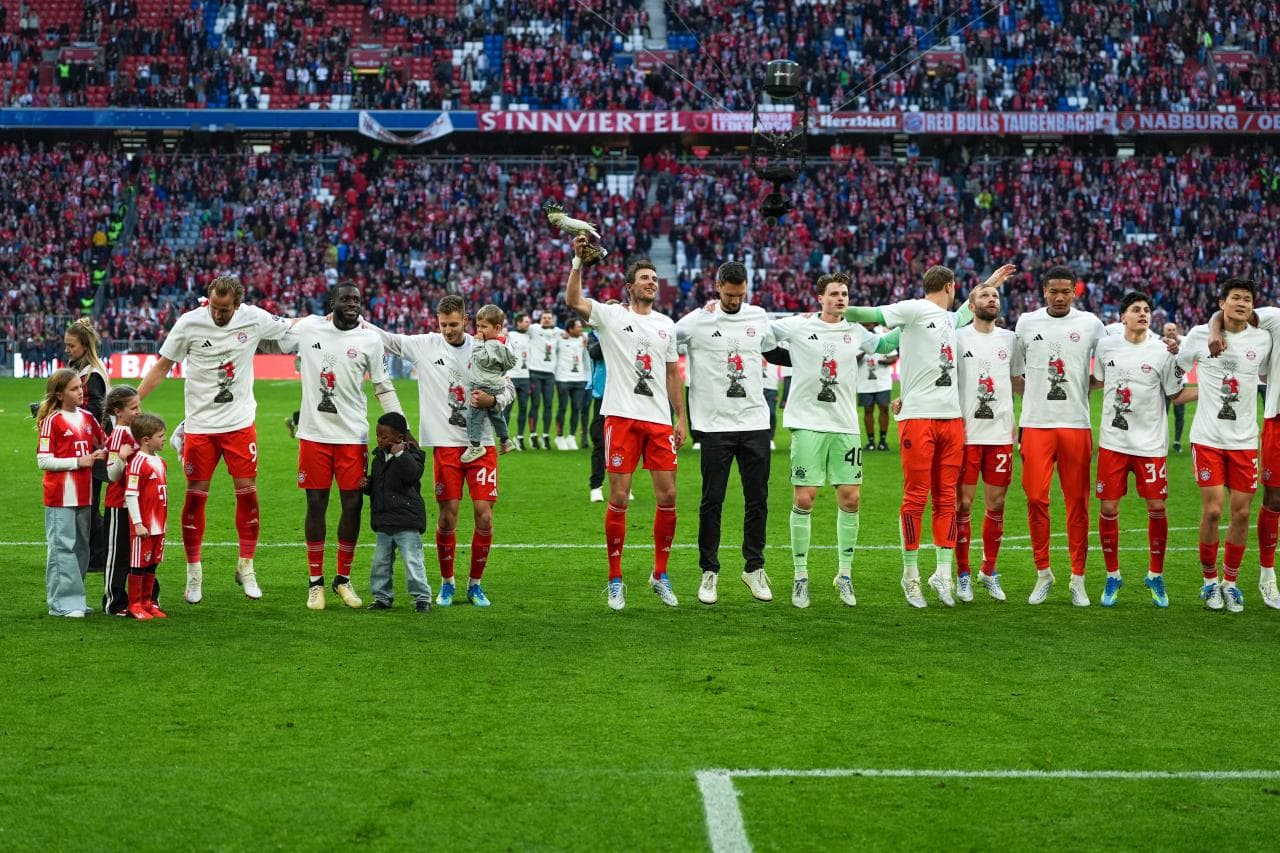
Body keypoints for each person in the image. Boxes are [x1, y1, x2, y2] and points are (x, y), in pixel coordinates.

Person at [847, 263, 1016, 608]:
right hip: (919, 418)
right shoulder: (913, 308)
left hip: (951, 418)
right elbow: (871, 317)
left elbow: (881, 343)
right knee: (916, 497)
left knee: (945, 500)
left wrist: (992, 282)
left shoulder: (950, 320)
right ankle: (910, 576)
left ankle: (941, 573)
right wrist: (837, 311)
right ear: (951, 286)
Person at [138, 275, 292, 604]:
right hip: (201, 427)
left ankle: (246, 566)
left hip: (239, 425)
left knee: (248, 495)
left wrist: (328, 322)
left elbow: (293, 328)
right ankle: (194, 575)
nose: (218, 314)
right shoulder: (189, 323)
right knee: (195, 497)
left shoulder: (255, 318)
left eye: (225, 310)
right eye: (214, 307)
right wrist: (134, 401)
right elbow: (163, 365)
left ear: (238, 305)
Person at [365, 295, 513, 608]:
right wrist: (357, 321)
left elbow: (508, 388)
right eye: (443, 324)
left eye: (454, 324)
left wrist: (494, 402)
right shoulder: (426, 344)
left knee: (484, 516)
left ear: (465, 321)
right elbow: (388, 340)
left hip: (481, 444)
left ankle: (475, 584)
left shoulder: (484, 347)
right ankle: (447, 583)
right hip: (445, 445)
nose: (448, 330)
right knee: (448, 516)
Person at [564, 235, 687, 611]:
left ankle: (659, 574)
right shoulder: (612, 315)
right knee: (618, 498)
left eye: (654, 278)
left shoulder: (667, 325)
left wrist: (680, 417)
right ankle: (615, 579)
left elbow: (671, 375)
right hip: (621, 416)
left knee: (668, 497)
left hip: (657, 422)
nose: (651, 282)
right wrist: (577, 263)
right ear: (630, 287)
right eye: (644, 278)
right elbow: (573, 301)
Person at [773, 273, 899, 609]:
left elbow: (886, 346)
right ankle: (801, 577)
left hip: (845, 426)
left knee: (851, 498)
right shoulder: (798, 326)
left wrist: (913, 322)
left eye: (844, 293)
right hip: (807, 424)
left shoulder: (856, 331)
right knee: (805, 498)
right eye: (834, 294)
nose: (841, 298)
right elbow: (759, 336)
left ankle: (844, 575)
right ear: (820, 298)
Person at [291, 283, 402, 611]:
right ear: (333, 303)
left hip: (352, 437)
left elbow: (382, 386)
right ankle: (315, 582)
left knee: (353, 504)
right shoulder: (310, 327)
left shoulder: (370, 339)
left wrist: (400, 426)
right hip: (314, 435)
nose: (352, 304)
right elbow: (273, 329)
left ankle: (342, 579)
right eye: (346, 299)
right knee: (315, 504)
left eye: (356, 300)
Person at [676, 261, 778, 605]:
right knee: (712, 501)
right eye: (729, 295)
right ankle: (709, 571)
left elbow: (777, 348)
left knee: (757, 499)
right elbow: (660, 336)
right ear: (717, 287)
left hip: (754, 422)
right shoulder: (697, 320)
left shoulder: (759, 316)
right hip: (715, 425)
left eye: (740, 294)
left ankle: (754, 567)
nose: (735, 300)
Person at [1092, 291, 1196, 608]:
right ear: (1122, 316)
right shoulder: (1106, 346)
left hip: (1150, 444)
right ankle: (1113, 575)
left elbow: (1175, 394)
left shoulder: (1162, 352)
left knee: (1157, 508)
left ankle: (1155, 574)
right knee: (1109, 509)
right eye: (1136, 309)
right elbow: (1097, 383)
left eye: (1147, 310)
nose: (1143, 314)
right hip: (1113, 443)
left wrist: (1205, 384)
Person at [1013, 266, 1106, 607]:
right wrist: (1036, 397)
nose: (1060, 296)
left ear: (1074, 293)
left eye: (1066, 291)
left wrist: (1084, 389)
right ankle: (1043, 573)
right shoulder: (1027, 323)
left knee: (1077, 503)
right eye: (1054, 291)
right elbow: (1013, 373)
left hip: (1075, 425)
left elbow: (1112, 362)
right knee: (1036, 498)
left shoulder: (1091, 324)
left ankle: (1078, 578)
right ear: (1044, 291)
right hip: (1036, 425)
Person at [1180, 279, 1272, 613]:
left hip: (1245, 440)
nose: (1242, 304)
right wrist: (1184, 393)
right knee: (1214, 510)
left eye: (1247, 299)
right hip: (1207, 438)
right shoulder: (1198, 336)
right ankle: (1208, 582)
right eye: (1235, 298)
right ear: (1222, 303)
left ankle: (1230, 584)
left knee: (1242, 512)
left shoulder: (1263, 339)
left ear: (1253, 306)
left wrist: (1215, 328)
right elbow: (1176, 368)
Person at [1206, 300, 1280, 609]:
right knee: (1274, 500)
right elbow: (1227, 313)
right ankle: (1267, 576)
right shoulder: (1275, 317)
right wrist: (1213, 331)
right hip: (1278, 419)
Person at [953, 280, 1022, 602]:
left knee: (996, 504)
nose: (991, 299)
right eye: (984, 295)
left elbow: (1019, 382)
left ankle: (988, 571)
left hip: (1000, 437)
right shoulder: (957, 338)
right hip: (966, 437)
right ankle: (963, 573)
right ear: (971, 304)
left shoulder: (1011, 340)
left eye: (995, 295)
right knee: (962, 505)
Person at [36, 369, 106, 617]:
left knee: (81, 549)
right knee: (62, 548)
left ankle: (75, 598)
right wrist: (79, 461)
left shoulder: (87, 418)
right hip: (60, 496)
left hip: (84, 494)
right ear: (59, 394)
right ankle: (62, 604)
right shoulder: (51, 422)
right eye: (74, 389)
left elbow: (104, 444)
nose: (81, 392)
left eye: (80, 387)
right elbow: (43, 461)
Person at [365, 412, 432, 613]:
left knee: (412, 561)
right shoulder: (378, 458)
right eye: (377, 435)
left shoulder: (413, 455)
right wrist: (367, 485)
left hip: (407, 521)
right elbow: (379, 486)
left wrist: (399, 453)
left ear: (399, 438)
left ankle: (422, 597)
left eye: (384, 436)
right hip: (385, 520)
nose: (379, 439)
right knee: (380, 563)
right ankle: (382, 597)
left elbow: (412, 475)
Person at [64, 318, 110, 572]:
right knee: (87, 502)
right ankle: (96, 554)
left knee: (89, 503)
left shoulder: (91, 374)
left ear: (84, 345)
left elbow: (95, 411)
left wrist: (63, 410)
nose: (67, 350)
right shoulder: (85, 369)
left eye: (71, 345)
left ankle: (98, 555)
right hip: (89, 444)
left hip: (94, 446)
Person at [102, 385, 152, 615]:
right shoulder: (119, 435)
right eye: (133, 408)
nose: (138, 411)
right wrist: (121, 458)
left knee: (135, 553)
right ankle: (113, 602)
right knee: (117, 554)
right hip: (118, 504)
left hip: (135, 504)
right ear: (117, 411)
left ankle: (139, 599)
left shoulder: (133, 432)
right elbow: (112, 474)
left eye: (139, 406)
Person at [124, 413, 169, 620]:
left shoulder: (161, 462)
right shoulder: (137, 463)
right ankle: (134, 605)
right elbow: (131, 494)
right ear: (146, 440)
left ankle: (147, 602)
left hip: (158, 524)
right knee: (138, 564)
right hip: (143, 527)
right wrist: (138, 523)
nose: (164, 439)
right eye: (160, 436)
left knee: (152, 563)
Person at [463, 305, 517, 463]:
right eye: (478, 326)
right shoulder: (503, 345)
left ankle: (474, 446)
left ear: (497, 328)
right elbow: (511, 362)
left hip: (483, 385)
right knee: (496, 415)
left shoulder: (491, 344)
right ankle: (505, 440)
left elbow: (482, 359)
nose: (479, 331)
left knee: (474, 416)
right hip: (496, 385)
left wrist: (478, 344)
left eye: (484, 327)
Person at [855, 324, 895, 451]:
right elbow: (853, 359)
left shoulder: (883, 336)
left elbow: (893, 356)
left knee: (884, 408)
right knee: (868, 410)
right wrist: (865, 349)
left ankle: (883, 441)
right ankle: (870, 442)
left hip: (882, 381)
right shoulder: (856, 338)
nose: (869, 324)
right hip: (864, 382)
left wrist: (885, 361)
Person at [553, 317, 590, 450]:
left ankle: (571, 437)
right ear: (570, 329)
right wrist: (561, 332)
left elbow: (589, 331)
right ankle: (559, 436)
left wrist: (584, 335)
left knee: (576, 409)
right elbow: (551, 330)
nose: (581, 329)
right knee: (562, 407)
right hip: (563, 379)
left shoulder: (583, 338)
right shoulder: (560, 338)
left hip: (579, 379)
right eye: (579, 326)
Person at [526, 310, 560, 449]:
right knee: (535, 404)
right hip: (535, 373)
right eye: (544, 318)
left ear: (553, 320)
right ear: (540, 319)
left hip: (550, 374)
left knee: (548, 405)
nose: (546, 320)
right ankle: (533, 435)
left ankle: (545, 435)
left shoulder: (558, 332)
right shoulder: (533, 329)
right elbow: (519, 330)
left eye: (549, 318)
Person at [505, 312, 532, 450]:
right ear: (518, 322)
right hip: (512, 377)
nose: (529, 324)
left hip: (525, 377)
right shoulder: (509, 335)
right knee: (507, 409)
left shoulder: (530, 336)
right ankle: (504, 438)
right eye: (526, 321)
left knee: (523, 408)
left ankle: (520, 437)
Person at [587, 325, 607, 502]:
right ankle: (596, 485)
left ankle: (626, 485)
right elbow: (594, 353)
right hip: (602, 396)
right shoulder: (594, 337)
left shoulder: (629, 335)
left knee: (626, 444)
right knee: (600, 441)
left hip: (624, 396)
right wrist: (610, 333)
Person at [1163, 322, 1187, 452]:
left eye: (1173, 329)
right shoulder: (1159, 344)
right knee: (1162, 414)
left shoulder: (1184, 341)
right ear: (1164, 331)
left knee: (1180, 415)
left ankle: (1177, 442)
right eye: (1169, 330)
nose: (1171, 332)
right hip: (1165, 385)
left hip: (1181, 384)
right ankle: (1163, 441)